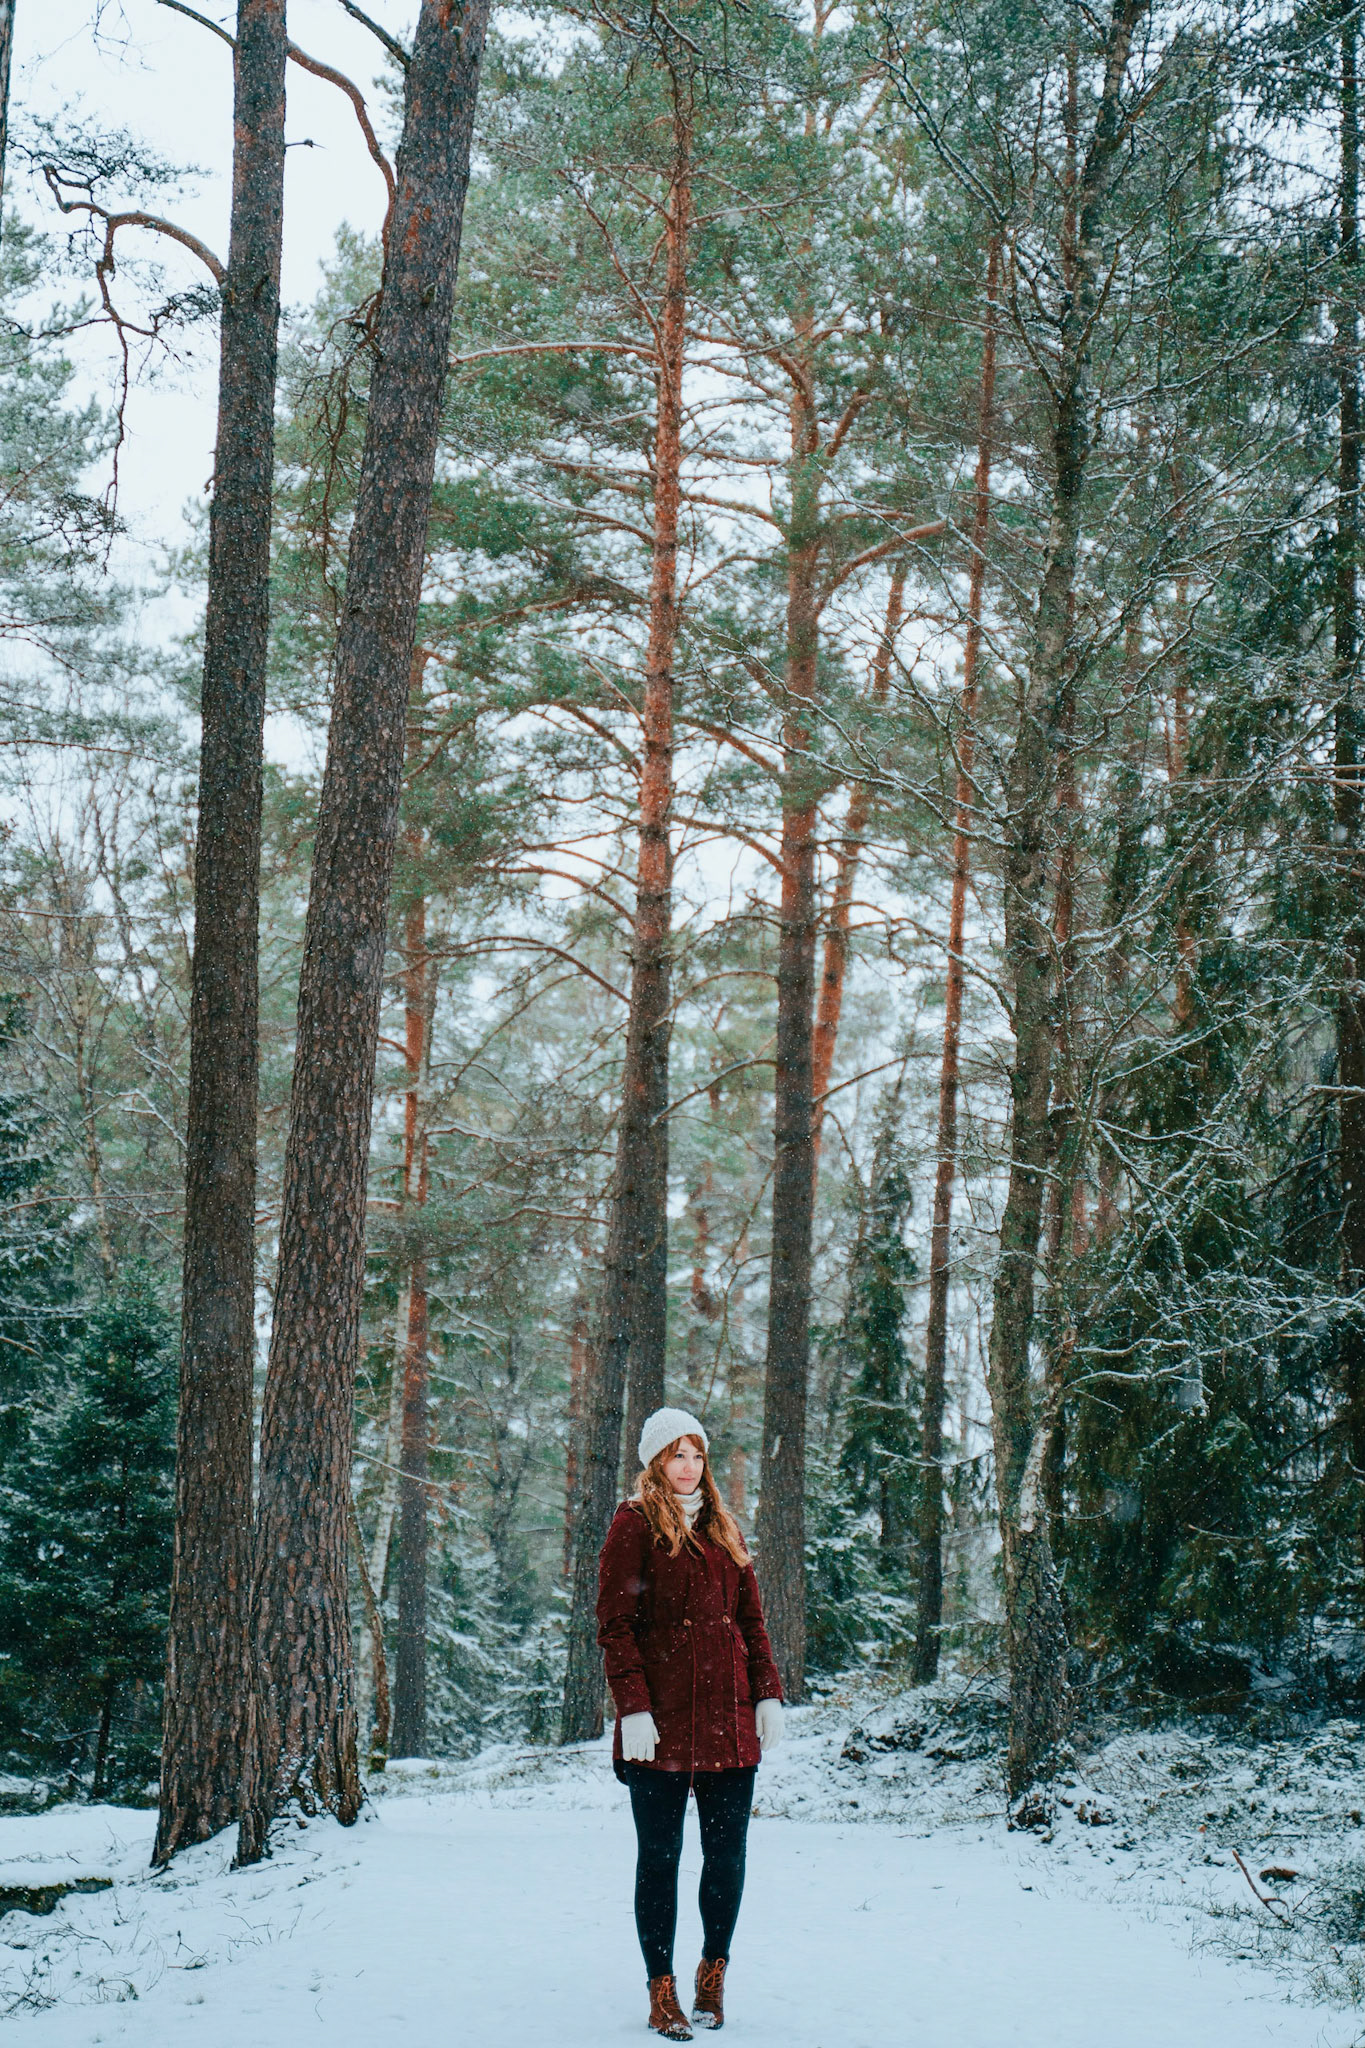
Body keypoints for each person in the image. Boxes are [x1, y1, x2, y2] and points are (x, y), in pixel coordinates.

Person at [596, 1405, 785, 2040]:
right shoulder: (634, 1525)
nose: (689, 1466)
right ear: (655, 1460)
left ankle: (712, 1975)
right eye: (677, 1454)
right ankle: (662, 1990)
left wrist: (767, 1695)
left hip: (730, 1728)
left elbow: (751, 1623)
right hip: (662, 1727)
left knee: (726, 1857)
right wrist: (634, 1709)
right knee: (660, 1859)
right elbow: (615, 1627)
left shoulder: (724, 1530)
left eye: (697, 1454)